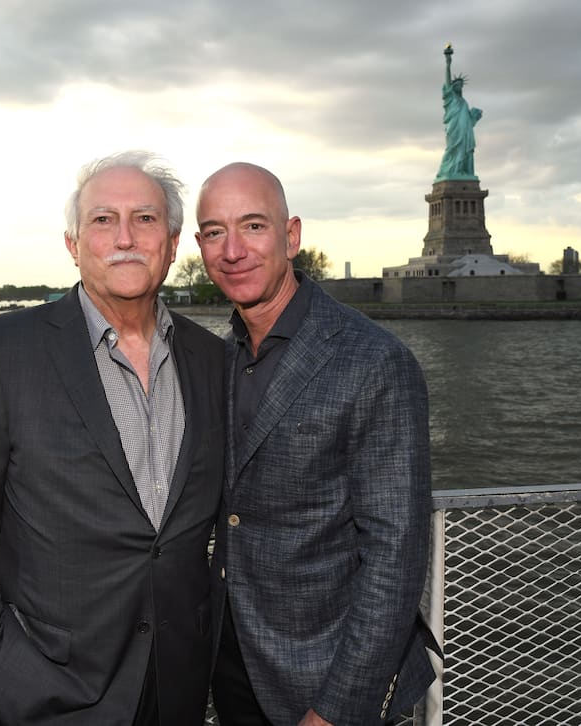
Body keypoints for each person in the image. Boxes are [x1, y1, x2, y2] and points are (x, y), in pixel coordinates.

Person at [0, 151, 225, 725]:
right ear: (73, 245)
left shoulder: (212, 358)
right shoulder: (1, 351)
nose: (125, 237)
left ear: (172, 243)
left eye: (145, 218)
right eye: (103, 220)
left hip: (179, 681)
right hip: (48, 690)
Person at [195, 162, 439, 726]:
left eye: (253, 226)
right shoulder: (218, 356)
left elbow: (396, 557)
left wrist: (337, 709)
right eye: (214, 232)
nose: (232, 250)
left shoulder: (375, 360)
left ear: (291, 236)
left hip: (328, 679)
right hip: (233, 665)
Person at [435, 43, 482, 181]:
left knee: (464, 150)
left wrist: (474, 117)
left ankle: (461, 171)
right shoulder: (450, 97)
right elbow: (447, 79)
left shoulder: (463, 102)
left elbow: (468, 120)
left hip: (465, 130)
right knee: (452, 149)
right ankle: (446, 171)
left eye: (461, 85)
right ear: (452, 87)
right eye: (457, 85)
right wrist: (448, 62)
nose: (460, 87)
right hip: (454, 128)